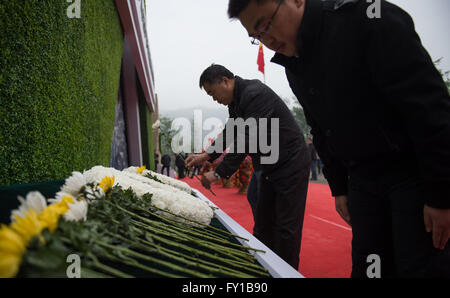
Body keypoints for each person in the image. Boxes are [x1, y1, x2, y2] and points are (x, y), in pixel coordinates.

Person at [227, 0, 450, 278]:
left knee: (419, 267)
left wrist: (441, 194)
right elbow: (320, 128)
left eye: (265, 25)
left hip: (411, 176)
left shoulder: (367, 20)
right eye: (256, 37)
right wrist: (339, 187)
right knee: (369, 267)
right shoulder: (293, 63)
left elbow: (429, 108)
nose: (267, 40)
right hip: (363, 183)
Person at [186, 64, 310, 269]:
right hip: (268, 165)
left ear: (225, 81)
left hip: (290, 163)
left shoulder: (255, 94)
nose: (213, 98)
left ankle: (287, 271)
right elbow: (231, 131)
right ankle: (264, 269)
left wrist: (218, 173)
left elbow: (248, 139)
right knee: (262, 223)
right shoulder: (236, 102)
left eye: (212, 92)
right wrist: (206, 155)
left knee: (286, 228)